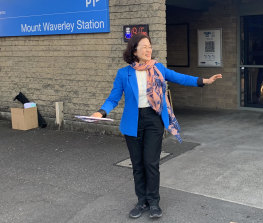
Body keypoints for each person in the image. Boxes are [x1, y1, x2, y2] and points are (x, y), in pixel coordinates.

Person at [91, 34, 222, 219]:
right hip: (133, 122)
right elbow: (113, 98)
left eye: (150, 46)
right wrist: (101, 112)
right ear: (134, 50)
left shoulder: (158, 68)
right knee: (137, 165)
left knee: (151, 163)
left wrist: (203, 81)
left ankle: (153, 202)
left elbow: (179, 77)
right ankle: (141, 201)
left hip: (153, 120)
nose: (148, 49)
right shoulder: (124, 73)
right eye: (144, 46)